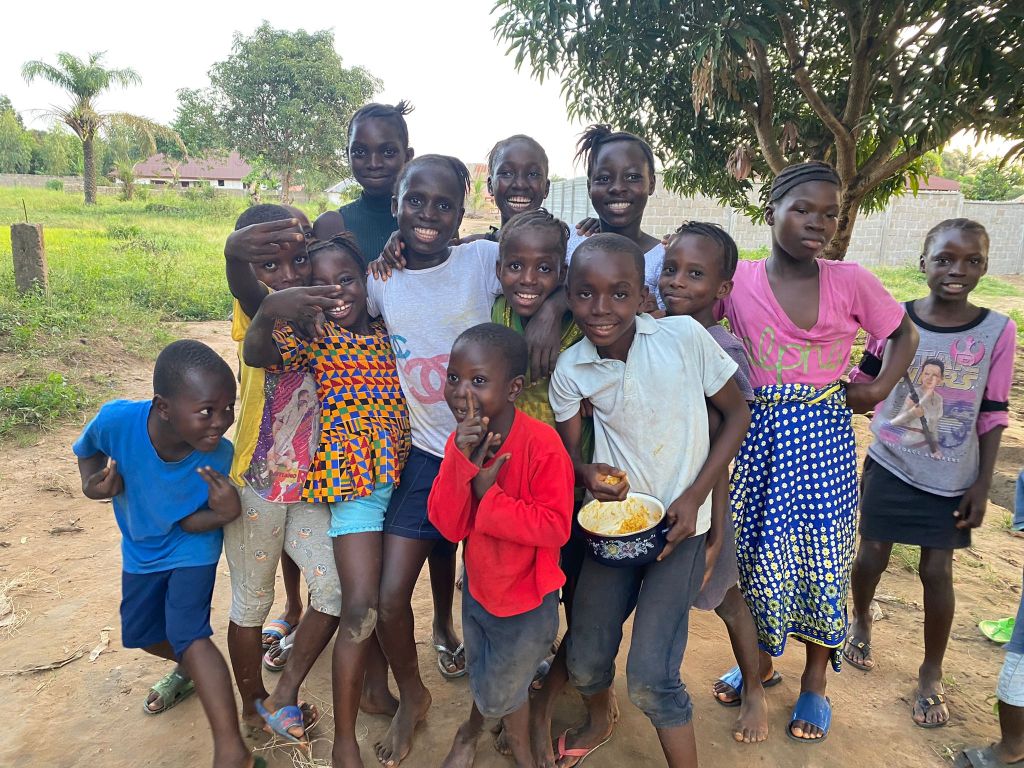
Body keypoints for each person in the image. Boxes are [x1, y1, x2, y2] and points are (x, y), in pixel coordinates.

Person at [718, 161, 919, 743]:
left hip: (826, 445)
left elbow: (903, 332)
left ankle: (814, 684)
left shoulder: (852, 280)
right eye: (803, 209)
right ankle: (759, 662)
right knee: (757, 558)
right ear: (771, 211)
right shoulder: (742, 280)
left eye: (829, 213)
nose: (818, 222)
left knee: (822, 563)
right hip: (759, 443)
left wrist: (877, 387)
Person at [548, 233, 751, 767]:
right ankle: (598, 714)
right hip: (616, 529)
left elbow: (738, 415)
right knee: (587, 658)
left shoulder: (684, 337)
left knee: (653, 677)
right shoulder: (571, 370)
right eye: (585, 294)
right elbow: (572, 461)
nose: (601, 309)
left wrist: (696, 497)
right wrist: (587, 472)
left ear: (642, 296)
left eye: (619, 294)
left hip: (681, 528)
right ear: (569, 296)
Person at [244, 232, 411, 767]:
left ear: (366, 281)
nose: (337, 292)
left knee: (389, 601)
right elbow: (255, 352)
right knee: (358, 605)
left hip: (404, 482)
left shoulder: (390, 332)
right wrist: (270, 308)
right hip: (357, 491)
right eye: (321, 284)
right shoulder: (313, 335)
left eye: (347, 280)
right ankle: (344, 741)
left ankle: (381, 690)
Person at [846, 218, 1015, 728]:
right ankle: (860, 622)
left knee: (937, 572)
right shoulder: (894, 320)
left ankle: (931, 671)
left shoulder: (996, 330)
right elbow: (866, 378)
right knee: (871, 554)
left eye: (971, 261)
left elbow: (993, 410)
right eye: (944, 259)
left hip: (950, 479)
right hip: (890, 464)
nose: (956, 270)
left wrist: (982, 484)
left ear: (985, 267)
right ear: (923, 264)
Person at [73, 339, 262, 768]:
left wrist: (224, 513)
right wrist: (93, 486)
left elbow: (192, 521)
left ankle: (232, 749)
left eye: (228, 409)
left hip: (191, 548)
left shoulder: (219, 456)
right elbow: (87, 452)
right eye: (207, 411)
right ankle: (195, 669)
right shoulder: (117, 422)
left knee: (189, 632)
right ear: (163, 408)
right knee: (142, 634)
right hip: (141, 548)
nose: (221, 423)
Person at [221, 204, 346, 735]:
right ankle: (252, 703)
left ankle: (282, 693)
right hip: (258, 484)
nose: (288, 276)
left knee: (337, 590)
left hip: (310, 485)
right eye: (268, 266)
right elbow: (254, 294)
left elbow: (338, 230)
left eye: (298, 261)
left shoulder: (321, 313)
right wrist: (234, 256)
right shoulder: (260, 314)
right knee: (253, 598)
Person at [428, 323, 574, 768]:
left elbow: (555, 527)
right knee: (489, 673)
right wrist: (458, 459)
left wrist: (487, 498)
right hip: (479, 589)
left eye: (477, 381)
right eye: (454, 378)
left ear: (513, 388)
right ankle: (479, 728)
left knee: (502, 685)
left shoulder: (542, 445)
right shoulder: (463, 443)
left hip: (528, 599)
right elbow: (448, 525)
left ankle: (509, 745)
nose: (460, 393)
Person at [657, 222, 770, 744]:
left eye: (695, 274)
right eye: (671, 269)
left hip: (709, 499)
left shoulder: (723, 351)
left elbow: (721, 448)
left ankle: (754, 686)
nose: (676, 281)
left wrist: (717, 529)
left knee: (726, 598)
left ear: (722, 290)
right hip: (655, 497)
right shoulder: (648, 332)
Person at [563, 124, 665, 311]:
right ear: (589, 187)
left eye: (633, 177)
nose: (617, 187)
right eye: (603, 178)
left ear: (651, 183)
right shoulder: (570, 243)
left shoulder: (666, 259)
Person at [314, 101, 415, 258]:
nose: (374, 164)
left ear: (407, 157)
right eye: (360, 152)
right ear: (348, 155)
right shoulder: (331, 226)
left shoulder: (430, 221)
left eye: (388, 152)